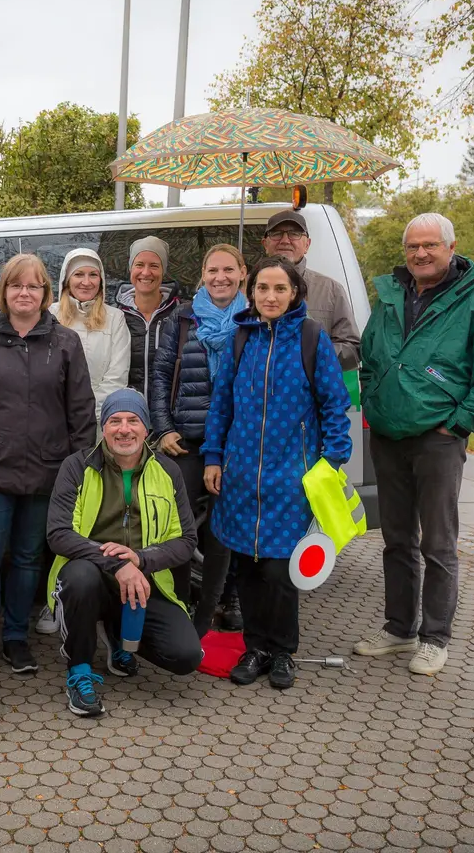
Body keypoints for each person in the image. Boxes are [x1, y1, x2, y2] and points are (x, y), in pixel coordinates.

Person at [352, 213, 474, 676]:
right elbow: (370, 356)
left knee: (439, 543)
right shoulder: (391, 297)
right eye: (413, 246)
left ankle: (435, 638)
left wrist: (458, 423)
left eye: (430, 245)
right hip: (388, 436)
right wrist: (374, 398)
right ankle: (399, 629)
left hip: (437, 440)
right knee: (396, 540)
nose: (421, 253)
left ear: (451, 247)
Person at [202, 257, 353, 691]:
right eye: (263, 288)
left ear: (295, 294)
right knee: (248, 568)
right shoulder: (240, 338)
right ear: (251, 292)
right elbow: (222, 405)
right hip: (241, 476)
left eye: (280, 289)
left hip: (292, 477)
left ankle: (283, 649)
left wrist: (331, 461)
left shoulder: (311, 338)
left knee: (279, 571)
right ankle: (256, 647)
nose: (270, 296)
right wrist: (214, 457)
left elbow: (334, 405)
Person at [0, 253, 96, 675]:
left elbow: (81, 410)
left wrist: (80, 467)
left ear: (45, 293)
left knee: (27, 558)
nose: (24, 293)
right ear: (4, 292)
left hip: (47, 470)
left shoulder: (65, 342)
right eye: (16, 285)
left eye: (33, 286)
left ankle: (16, 637)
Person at [46, 389, 204, 717]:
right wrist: (117, 564)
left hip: (145, 582)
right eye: (115, 421)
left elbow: (186, 539)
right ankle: (79, 670)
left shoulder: (168, 471)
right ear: (103, 428)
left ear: (146, 428)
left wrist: (141, 560)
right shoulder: (76, 466)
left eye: (133, 420)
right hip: (91, 576)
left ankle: (118, 634)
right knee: (80, 577)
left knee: (186, 656)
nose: (124, 429)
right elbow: (58, 533)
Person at [150, 243, 247, 634]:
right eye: (212, 270)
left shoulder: (254, 319)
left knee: (226, 528)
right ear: (202, 275)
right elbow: (160, 375)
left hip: (235, 443)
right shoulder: (183, 317)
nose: (220, 277)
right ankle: (180, 603)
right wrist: (163, 428)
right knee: (179, 525)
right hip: (186, 441)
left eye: (228, 270)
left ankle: (219, 604)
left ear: (242, 273)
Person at [261, 209, 361, 370]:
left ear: (307, 244)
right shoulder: (245, 289)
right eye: (276, 234)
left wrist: (312, 354)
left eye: (294, 234)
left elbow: (352, 350)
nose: (285, 240)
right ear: (265, 244)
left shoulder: (331, 291)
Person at [54, 248, 132, 419]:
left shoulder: (115, 318)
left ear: (101, 280)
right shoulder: (49, 316)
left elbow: (117, 376)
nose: (86, 282)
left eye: (93, 275)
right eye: (79, 274)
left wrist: (88, 410)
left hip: (98, 418)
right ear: (67, 279)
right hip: (56, 418)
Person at [117, 236, 184, 403]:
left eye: (154, 265)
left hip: (171, 415)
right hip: (127, 415)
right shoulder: (114, 316)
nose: (146, 273)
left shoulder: (182, 314)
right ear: (131, 268)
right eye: (139, 265)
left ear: (163, 270)